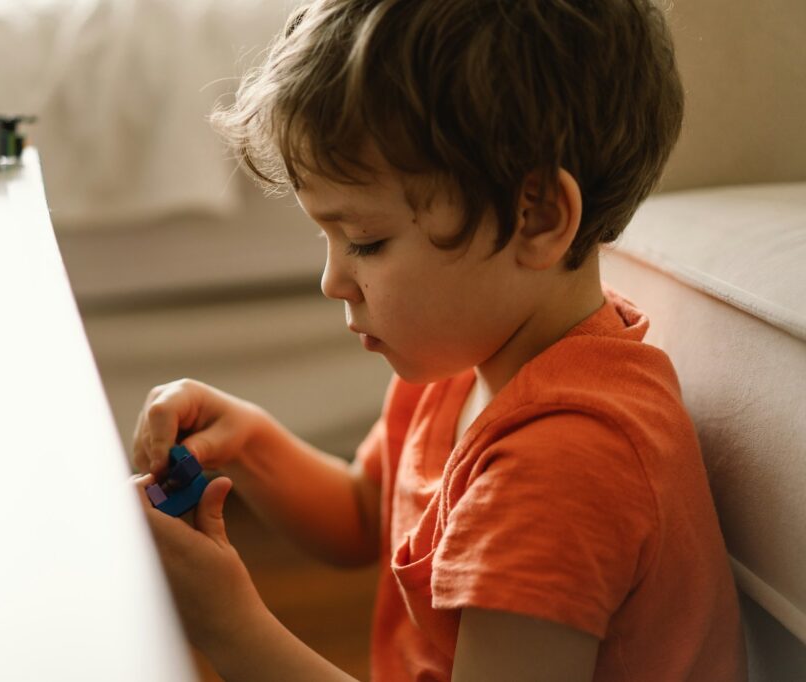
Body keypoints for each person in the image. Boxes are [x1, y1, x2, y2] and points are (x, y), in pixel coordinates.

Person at [130, 1, 747, 680]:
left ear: (537, 218)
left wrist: (226, 625)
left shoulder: (562, 469)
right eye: (326, 236)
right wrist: (246, 442)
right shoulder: (475, 359)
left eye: (365, 240)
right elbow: (369, 510)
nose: (333, 279)